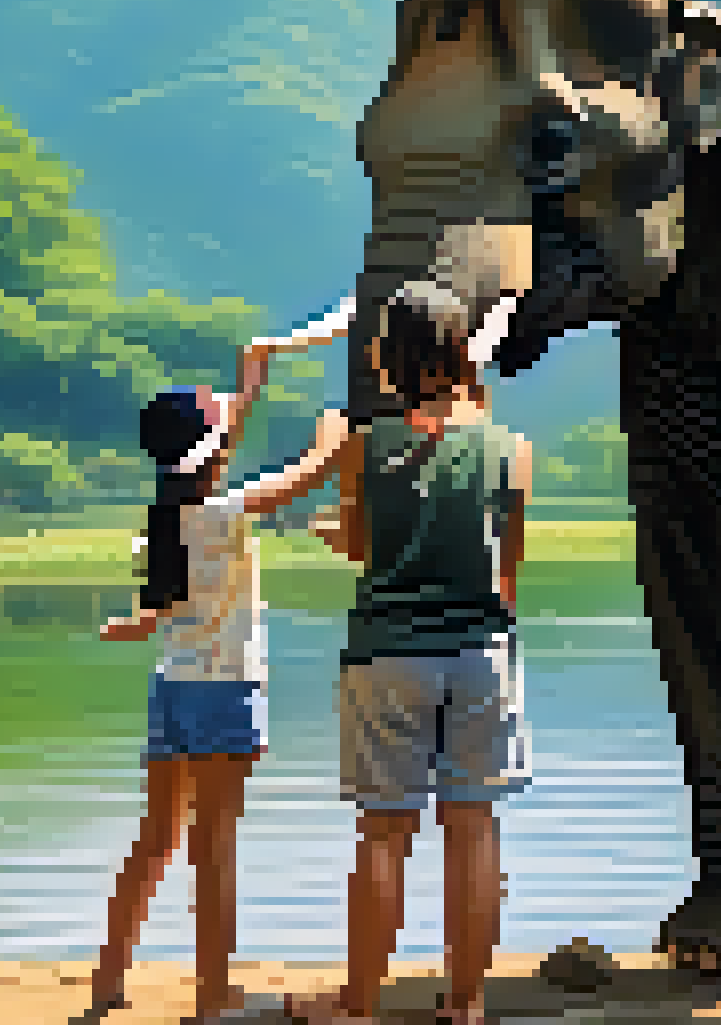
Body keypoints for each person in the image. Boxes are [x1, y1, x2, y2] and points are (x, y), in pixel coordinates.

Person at [228, 282, 533, 1025]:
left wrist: (337, 535)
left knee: (384, 832)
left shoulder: (359, 442)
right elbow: (506, 571)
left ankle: (358, 1005)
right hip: (479, 652)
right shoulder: (511, 451)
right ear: (462, 357)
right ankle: (464, 1007)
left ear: (382, 358)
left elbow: (362, 543)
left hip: (386, 655)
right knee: (473, 829)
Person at [85, 299, 354, 1024]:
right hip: (223, 692)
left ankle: (107, 980)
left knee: (159, 837)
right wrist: (338, 424)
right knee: (216, 850)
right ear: (210, 451)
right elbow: (306, 476)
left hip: (173, 688)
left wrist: (251, 377)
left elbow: (221, 443)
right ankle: (212, 995)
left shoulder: (170, 513)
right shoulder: (224, 513)